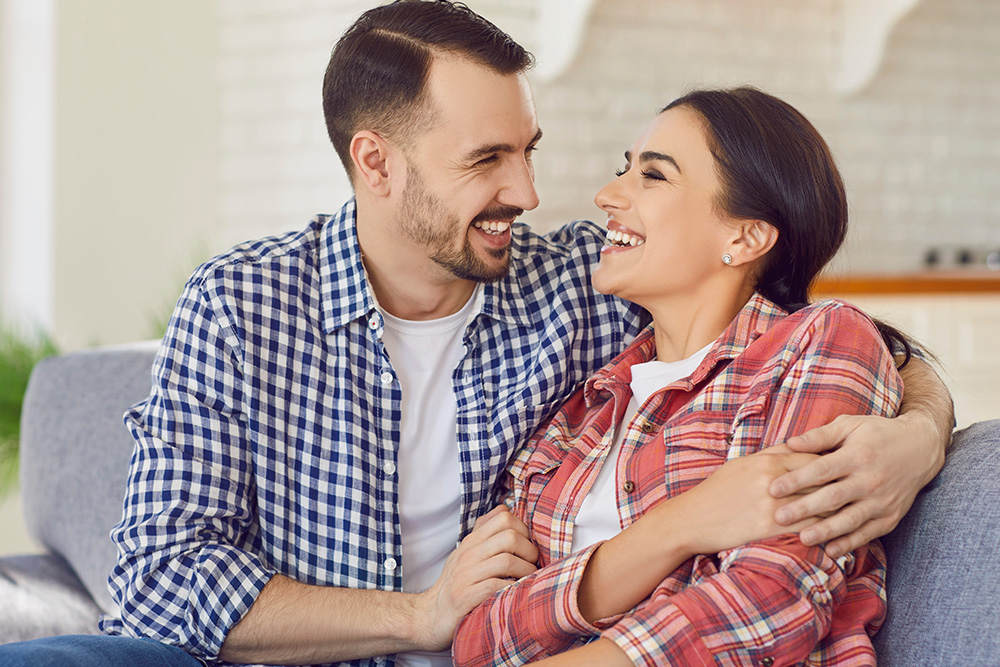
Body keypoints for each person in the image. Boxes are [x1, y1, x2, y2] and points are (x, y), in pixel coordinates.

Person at [0, 2, 953, 667]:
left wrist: (915, 435)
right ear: (375, 162)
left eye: (527, 151)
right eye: (487, 160)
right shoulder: (242, 305)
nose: (529, 195)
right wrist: (423, 612)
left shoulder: (573, 285)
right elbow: (165, 576)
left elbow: (818, 331)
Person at [453, 87, 914, 667]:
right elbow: (478, 637)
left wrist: (568, 599)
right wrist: (680, 529)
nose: (606, 195)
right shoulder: (583, 411)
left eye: (653, 176)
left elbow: (776, 595)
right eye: (624, 168)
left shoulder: (818, 344)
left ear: (744, 237)